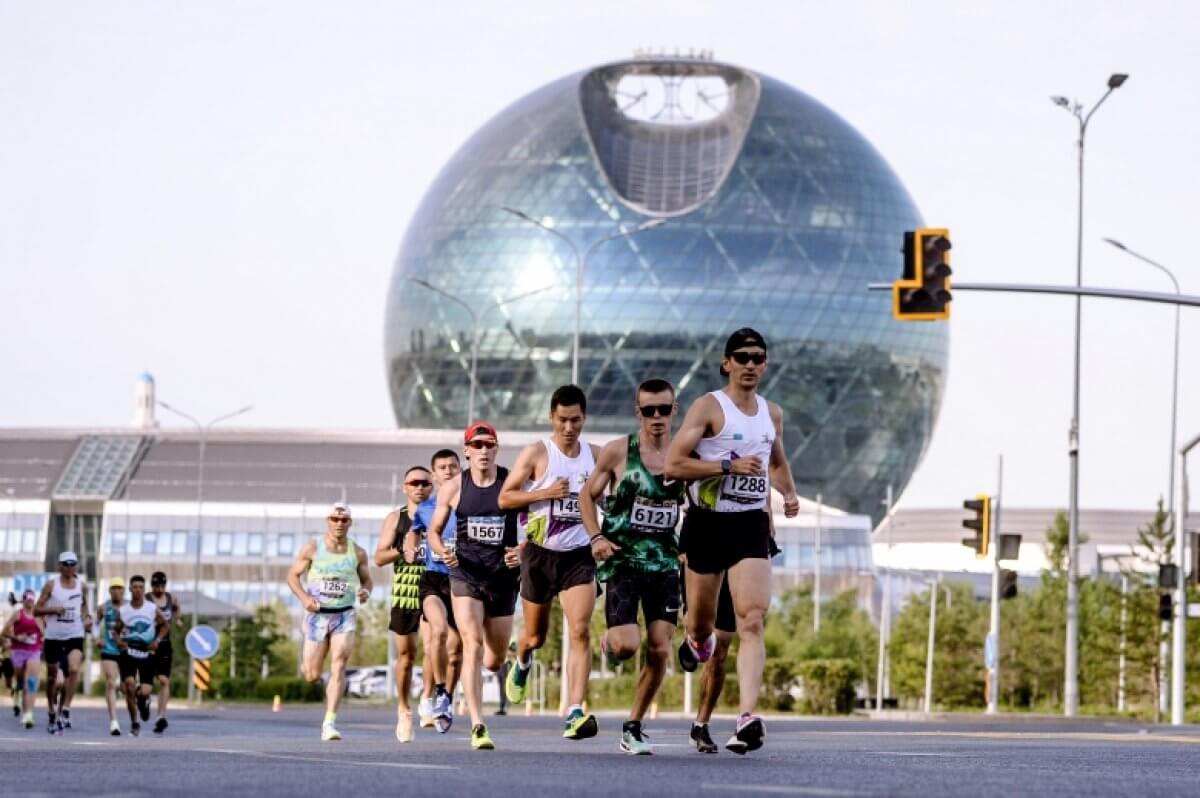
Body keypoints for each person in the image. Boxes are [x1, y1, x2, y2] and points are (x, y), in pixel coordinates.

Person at [665, 328, 799, 754]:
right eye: (741, 357)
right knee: (702, 626)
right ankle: (696, 641)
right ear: (726, 362)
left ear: (766, 364)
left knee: (752, 620)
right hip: (706, 524)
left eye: (758, 357)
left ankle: (746, 718)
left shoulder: (770, 413)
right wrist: (726, 465)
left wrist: (788, 493)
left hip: (749, 526)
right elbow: (674, 464)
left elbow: (776, 463)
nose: (749, 364)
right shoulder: (709, 407)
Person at [580, 377, 686, 755]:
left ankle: (633, 726)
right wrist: (596, 537)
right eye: (648, 410)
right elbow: (586, 497)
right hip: (624, 561)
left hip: (664, 564)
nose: (656, 417)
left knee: (659, 649)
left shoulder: (685, 453)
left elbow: (702, 500)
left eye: (663, 409)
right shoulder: (618, 452)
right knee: (627, 647)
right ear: (637, 411)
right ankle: (612, 641)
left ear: (675, 410)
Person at [500, 384, 600, 740]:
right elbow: (505, 498)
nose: (569, 428)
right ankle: (522, 660)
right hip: (539, 554)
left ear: (584, 418)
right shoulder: (537, 453)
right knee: (535, 636)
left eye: (575, 420)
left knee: (581, 630)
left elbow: (618, 499)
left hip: (579, 555)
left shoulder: (597, 456)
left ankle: (574, 710)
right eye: (562, 420)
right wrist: (545, 492)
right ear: (551, 418)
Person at [429, 421, 522, 750]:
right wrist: (443, 553)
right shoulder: (454, 487)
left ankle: (511, 664)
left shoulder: (513, 482)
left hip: (503, 577)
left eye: (489, 445)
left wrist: (521, 551)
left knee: (493, 660)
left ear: (497, 448)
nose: (483, 451)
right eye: (477, 445)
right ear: (466, 451)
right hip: (466, 574)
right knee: (472, 643)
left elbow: (538, 522)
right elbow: (434, 533)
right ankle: (478, 725)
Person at [289, 502, 373, 741]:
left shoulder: (357, 552)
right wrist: (304, 598)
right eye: (334, 519)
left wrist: (365, 592)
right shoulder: (313, 548)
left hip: (344, 614)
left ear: (350, 523)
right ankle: (322, 679)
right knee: (311, 675)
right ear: (327, 521)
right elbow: (292, 575)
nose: (339, 524)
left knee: (339, 664)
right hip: (317, 615)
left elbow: (367, 581)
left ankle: (329, 722)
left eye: (344, 520)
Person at [376, 467, 430, 742]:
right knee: (406, 656)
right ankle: (404, 709)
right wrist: (401, 550)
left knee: (436, 644)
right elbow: (378, 557)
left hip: (435, 587)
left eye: (425, 483)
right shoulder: (395, 519)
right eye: (414, 483)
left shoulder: (442, 514)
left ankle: (429, 698)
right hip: (406, 592)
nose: (419, 487)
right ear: (405, 488)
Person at [411, 449, 464, 734]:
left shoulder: (471, 504)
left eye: (453, 466)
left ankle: (446, 697)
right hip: (433, 578)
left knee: (456, 650)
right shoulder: (426, 508)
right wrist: (410, 544)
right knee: (438, 632)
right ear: (435, 474)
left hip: (463, 580)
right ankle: (438, 689)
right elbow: (414, 529)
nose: (447, 471)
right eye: (442, 467)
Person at [34, 551, 92, 734]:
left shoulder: (81, 586)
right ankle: (52, 710)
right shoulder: (51, 586)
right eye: (66, 564)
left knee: (74, 669)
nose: (69, 567)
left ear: (76, 566)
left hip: (75, 634)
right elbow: (36, 610)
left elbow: (84, 607)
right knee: (53, 680)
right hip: (53, 637)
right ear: (59, 566)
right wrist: (53, 609)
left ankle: (65, 708)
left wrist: (87, 618)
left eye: (73, 563)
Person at [113, 575, 167, 737]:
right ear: (130, 589)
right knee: (129, 686)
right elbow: (115, 631)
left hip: (147, 650)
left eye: (140, 587)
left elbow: (165, 625)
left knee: (144, 691)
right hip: (129, 649)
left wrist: (157, 640)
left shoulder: (151, 608)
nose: (137, 590)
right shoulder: (123, 611)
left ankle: (144, 701)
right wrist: (119, 641)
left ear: (144, 590)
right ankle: (134, 723)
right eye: (134, 587)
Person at [1, 590, 43, 729]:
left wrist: (43, 635)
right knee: (20, 682)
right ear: (24, 600)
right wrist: (16, 638)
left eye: (32, 599)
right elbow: (4, 632)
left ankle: (28, 714)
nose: (30, 601)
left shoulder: (38, 615)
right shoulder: (18, 614)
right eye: (28, 599)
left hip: (34, 652)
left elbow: (45, 633)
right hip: (18, 652)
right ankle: (18, 694)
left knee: (30, 682)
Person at [148, 571, 182, 734]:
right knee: (146, 684)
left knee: (163, 680)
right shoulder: (146, 599)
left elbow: (177, 608)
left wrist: (178, 619)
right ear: (152, 585)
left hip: (165, 644)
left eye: (162, 586)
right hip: (147, 645)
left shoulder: (171, 598)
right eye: (156, 586)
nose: (159, 589)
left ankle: (161, 716)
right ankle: (145, 700)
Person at [97, 579, 127, 735]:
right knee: (111, 681)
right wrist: (98, 638)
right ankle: (114, 722)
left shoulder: (130, 607)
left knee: (127, 685)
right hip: (109, 649)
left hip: (126, 650)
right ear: (110, 591)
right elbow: (95, 624)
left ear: (123, 591)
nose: (116, 591)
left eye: (119, 588)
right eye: (113, 588)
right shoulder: (103, 608)